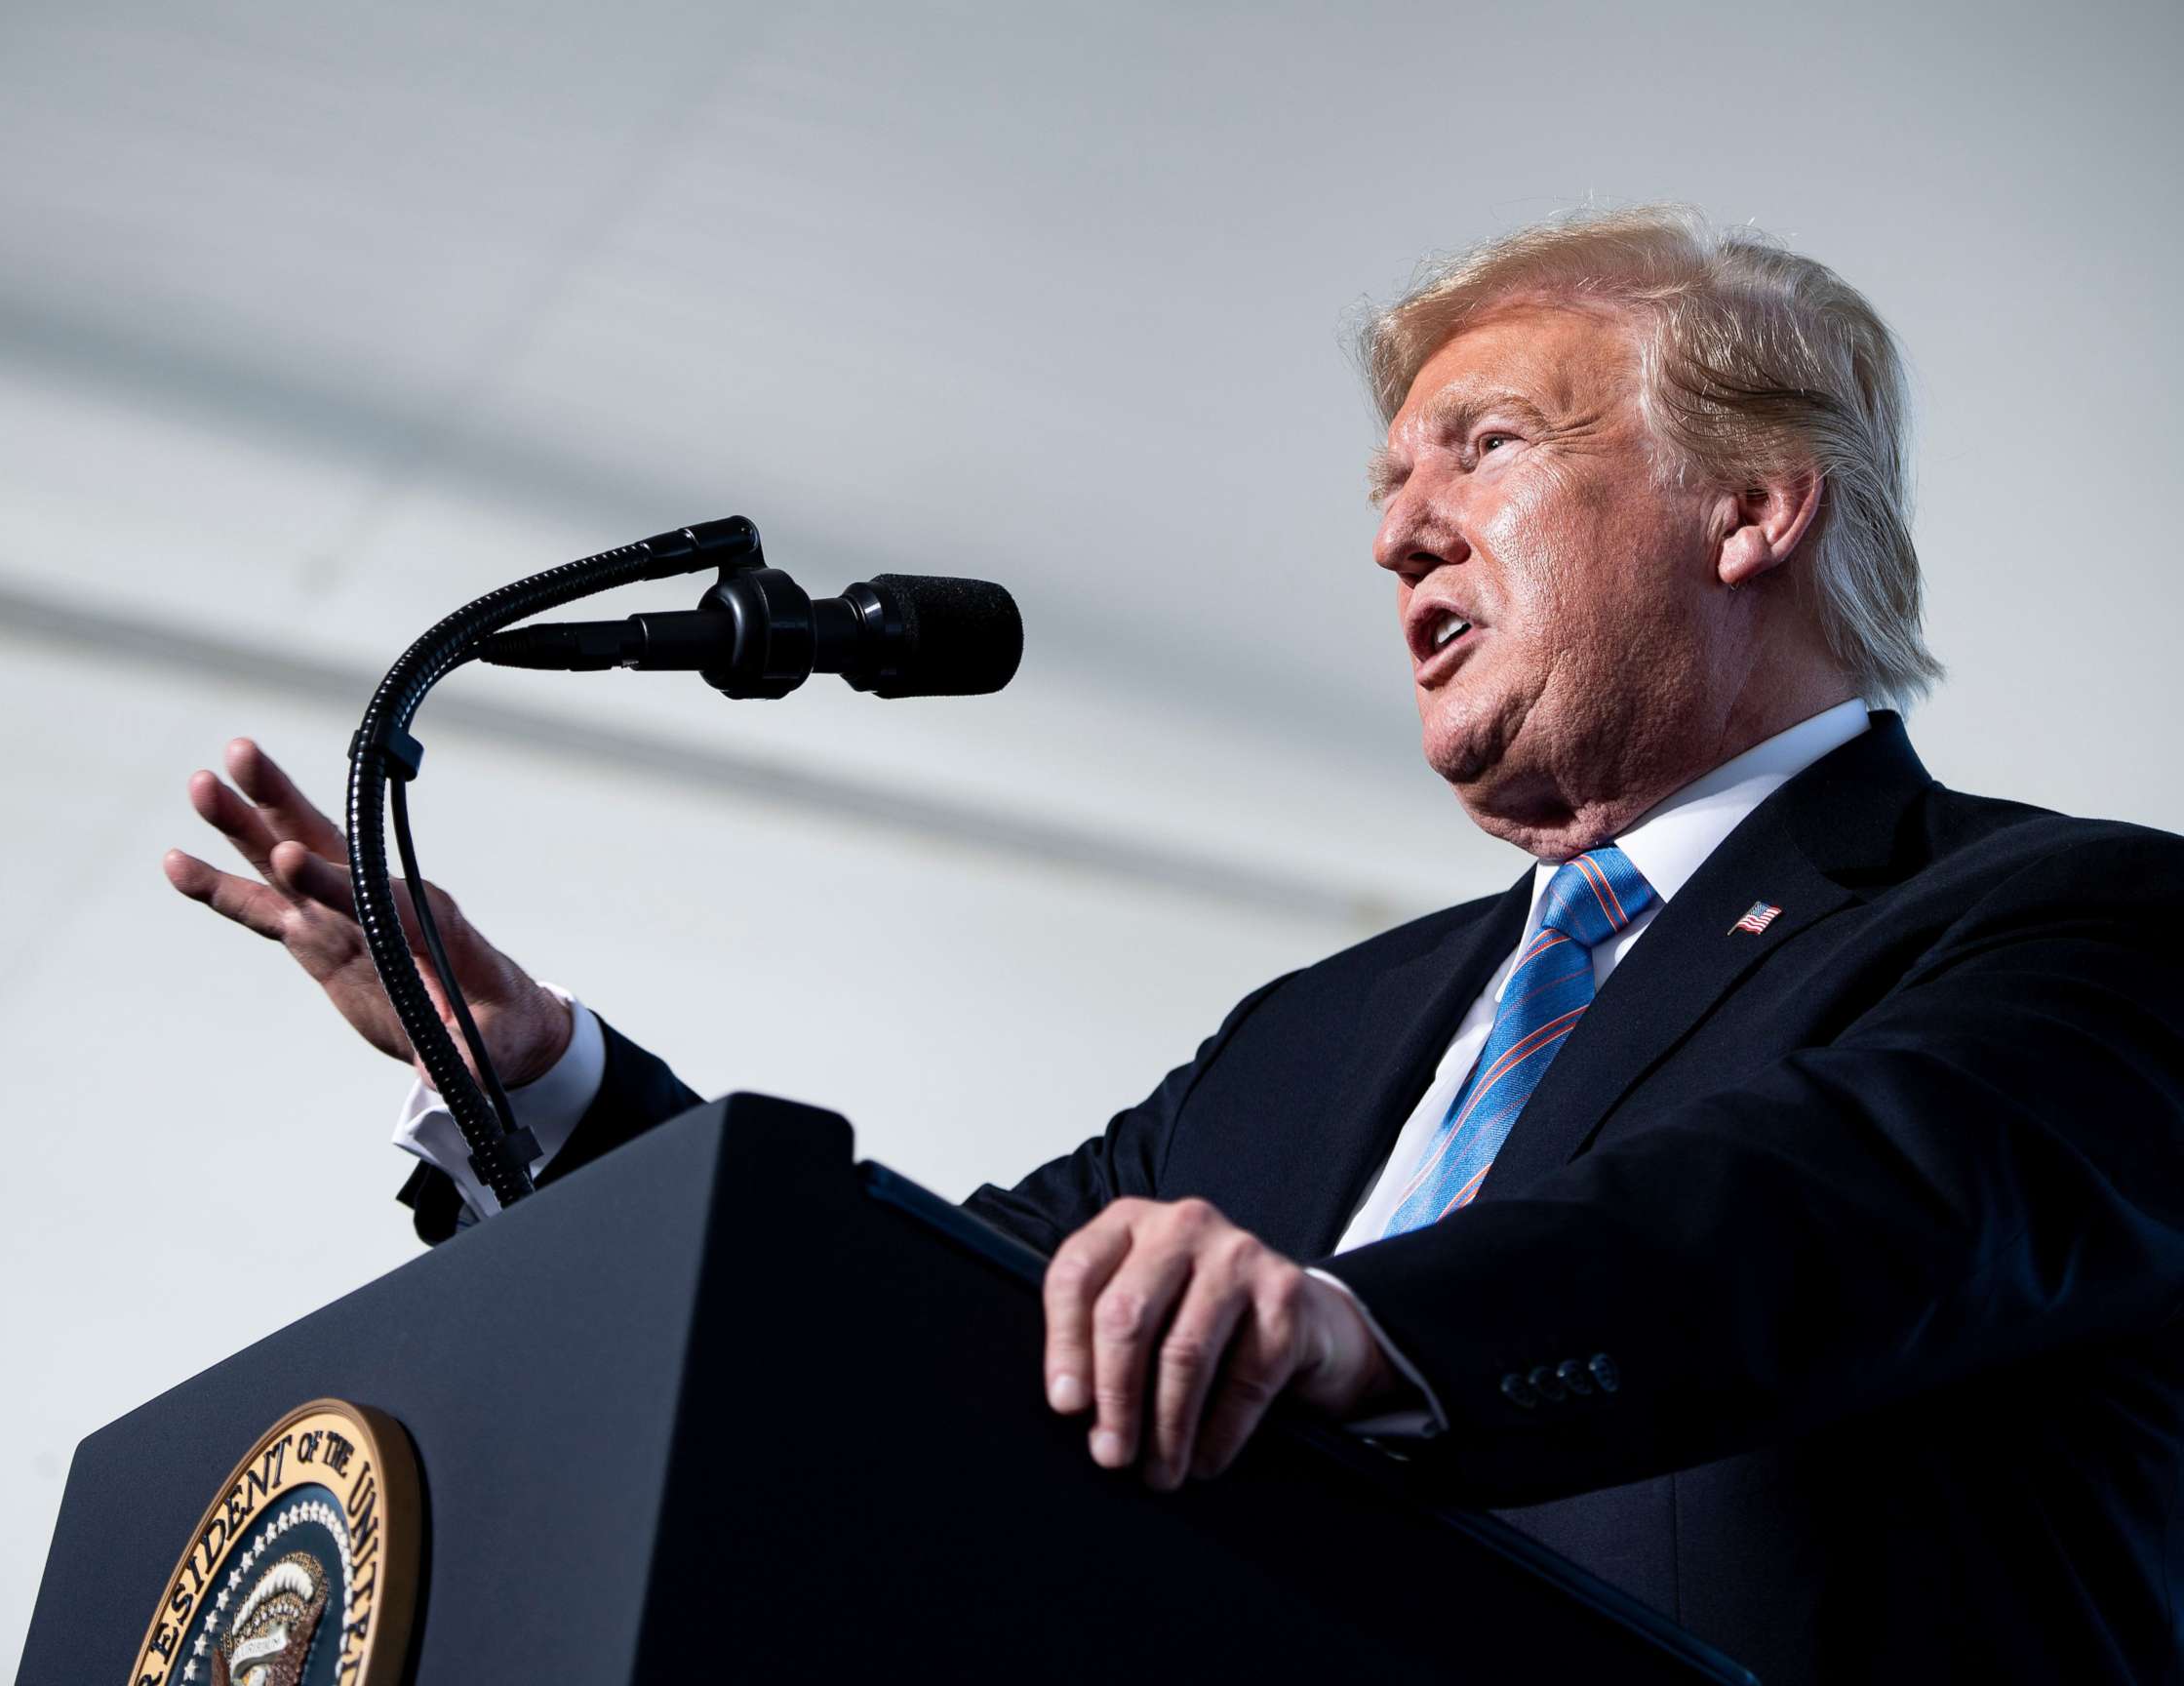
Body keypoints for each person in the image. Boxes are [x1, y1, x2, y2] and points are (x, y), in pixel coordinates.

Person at [164, 205, 2184, 1681]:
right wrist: (536, 1081)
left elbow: (1789, 1229)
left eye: (1483, 448)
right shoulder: (1330, 1033)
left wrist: (1356, 1327)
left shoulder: (2078, 928)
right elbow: (904, 1328)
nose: (1395, 532)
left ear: (1752, 506)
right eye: (1389, 482)